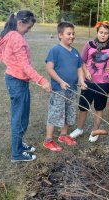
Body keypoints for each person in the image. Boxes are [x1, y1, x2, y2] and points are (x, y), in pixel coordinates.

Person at [0, 10, 51, 162]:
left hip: (15, 79)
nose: (28, 31)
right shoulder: (17, 38)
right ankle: (16, 154)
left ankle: (18, 145)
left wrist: (11, 66)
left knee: (22, 115)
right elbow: (25, 66)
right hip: (17, 82)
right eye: (28, 27)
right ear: (20, 23)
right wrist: (42, 80)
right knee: (19, 118)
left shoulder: (8, 33)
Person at [69, 21, 109, 142]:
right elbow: (82, 61)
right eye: (101, 32)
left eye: (106, 33)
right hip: (88, 82)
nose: (103, 35)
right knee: (83, 106)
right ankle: (79, 129)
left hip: (104, 83)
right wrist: (86, 72)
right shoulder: (89, 44)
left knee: (99, 108)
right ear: (97, 32)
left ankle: (95, 131)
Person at [42, 22, 86, 152]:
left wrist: (82, 82)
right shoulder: (55, 50)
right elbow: (49, 68)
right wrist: (60, 81)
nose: (72, 36)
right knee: (55, 113)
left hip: (72, 89)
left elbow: (79, 69)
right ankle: (48, 140)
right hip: (58, 90)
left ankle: (63, 135)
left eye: (73, 33)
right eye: (68, 34)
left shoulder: (76, 52)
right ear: (60, 35)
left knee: (68, 112)